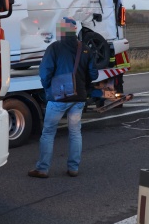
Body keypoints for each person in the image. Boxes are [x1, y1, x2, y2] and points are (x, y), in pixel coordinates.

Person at [28, 17, 98, 178]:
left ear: (61, 31)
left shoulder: (54, 48)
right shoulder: (84, 49)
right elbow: (93, 74)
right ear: (74, 30)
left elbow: (45, 72)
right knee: (75, 132)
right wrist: (81, 84)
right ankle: (73, 168)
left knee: (48, 133)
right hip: (78, 98)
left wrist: (48, 88)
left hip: (58, 97)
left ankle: (42, 168)